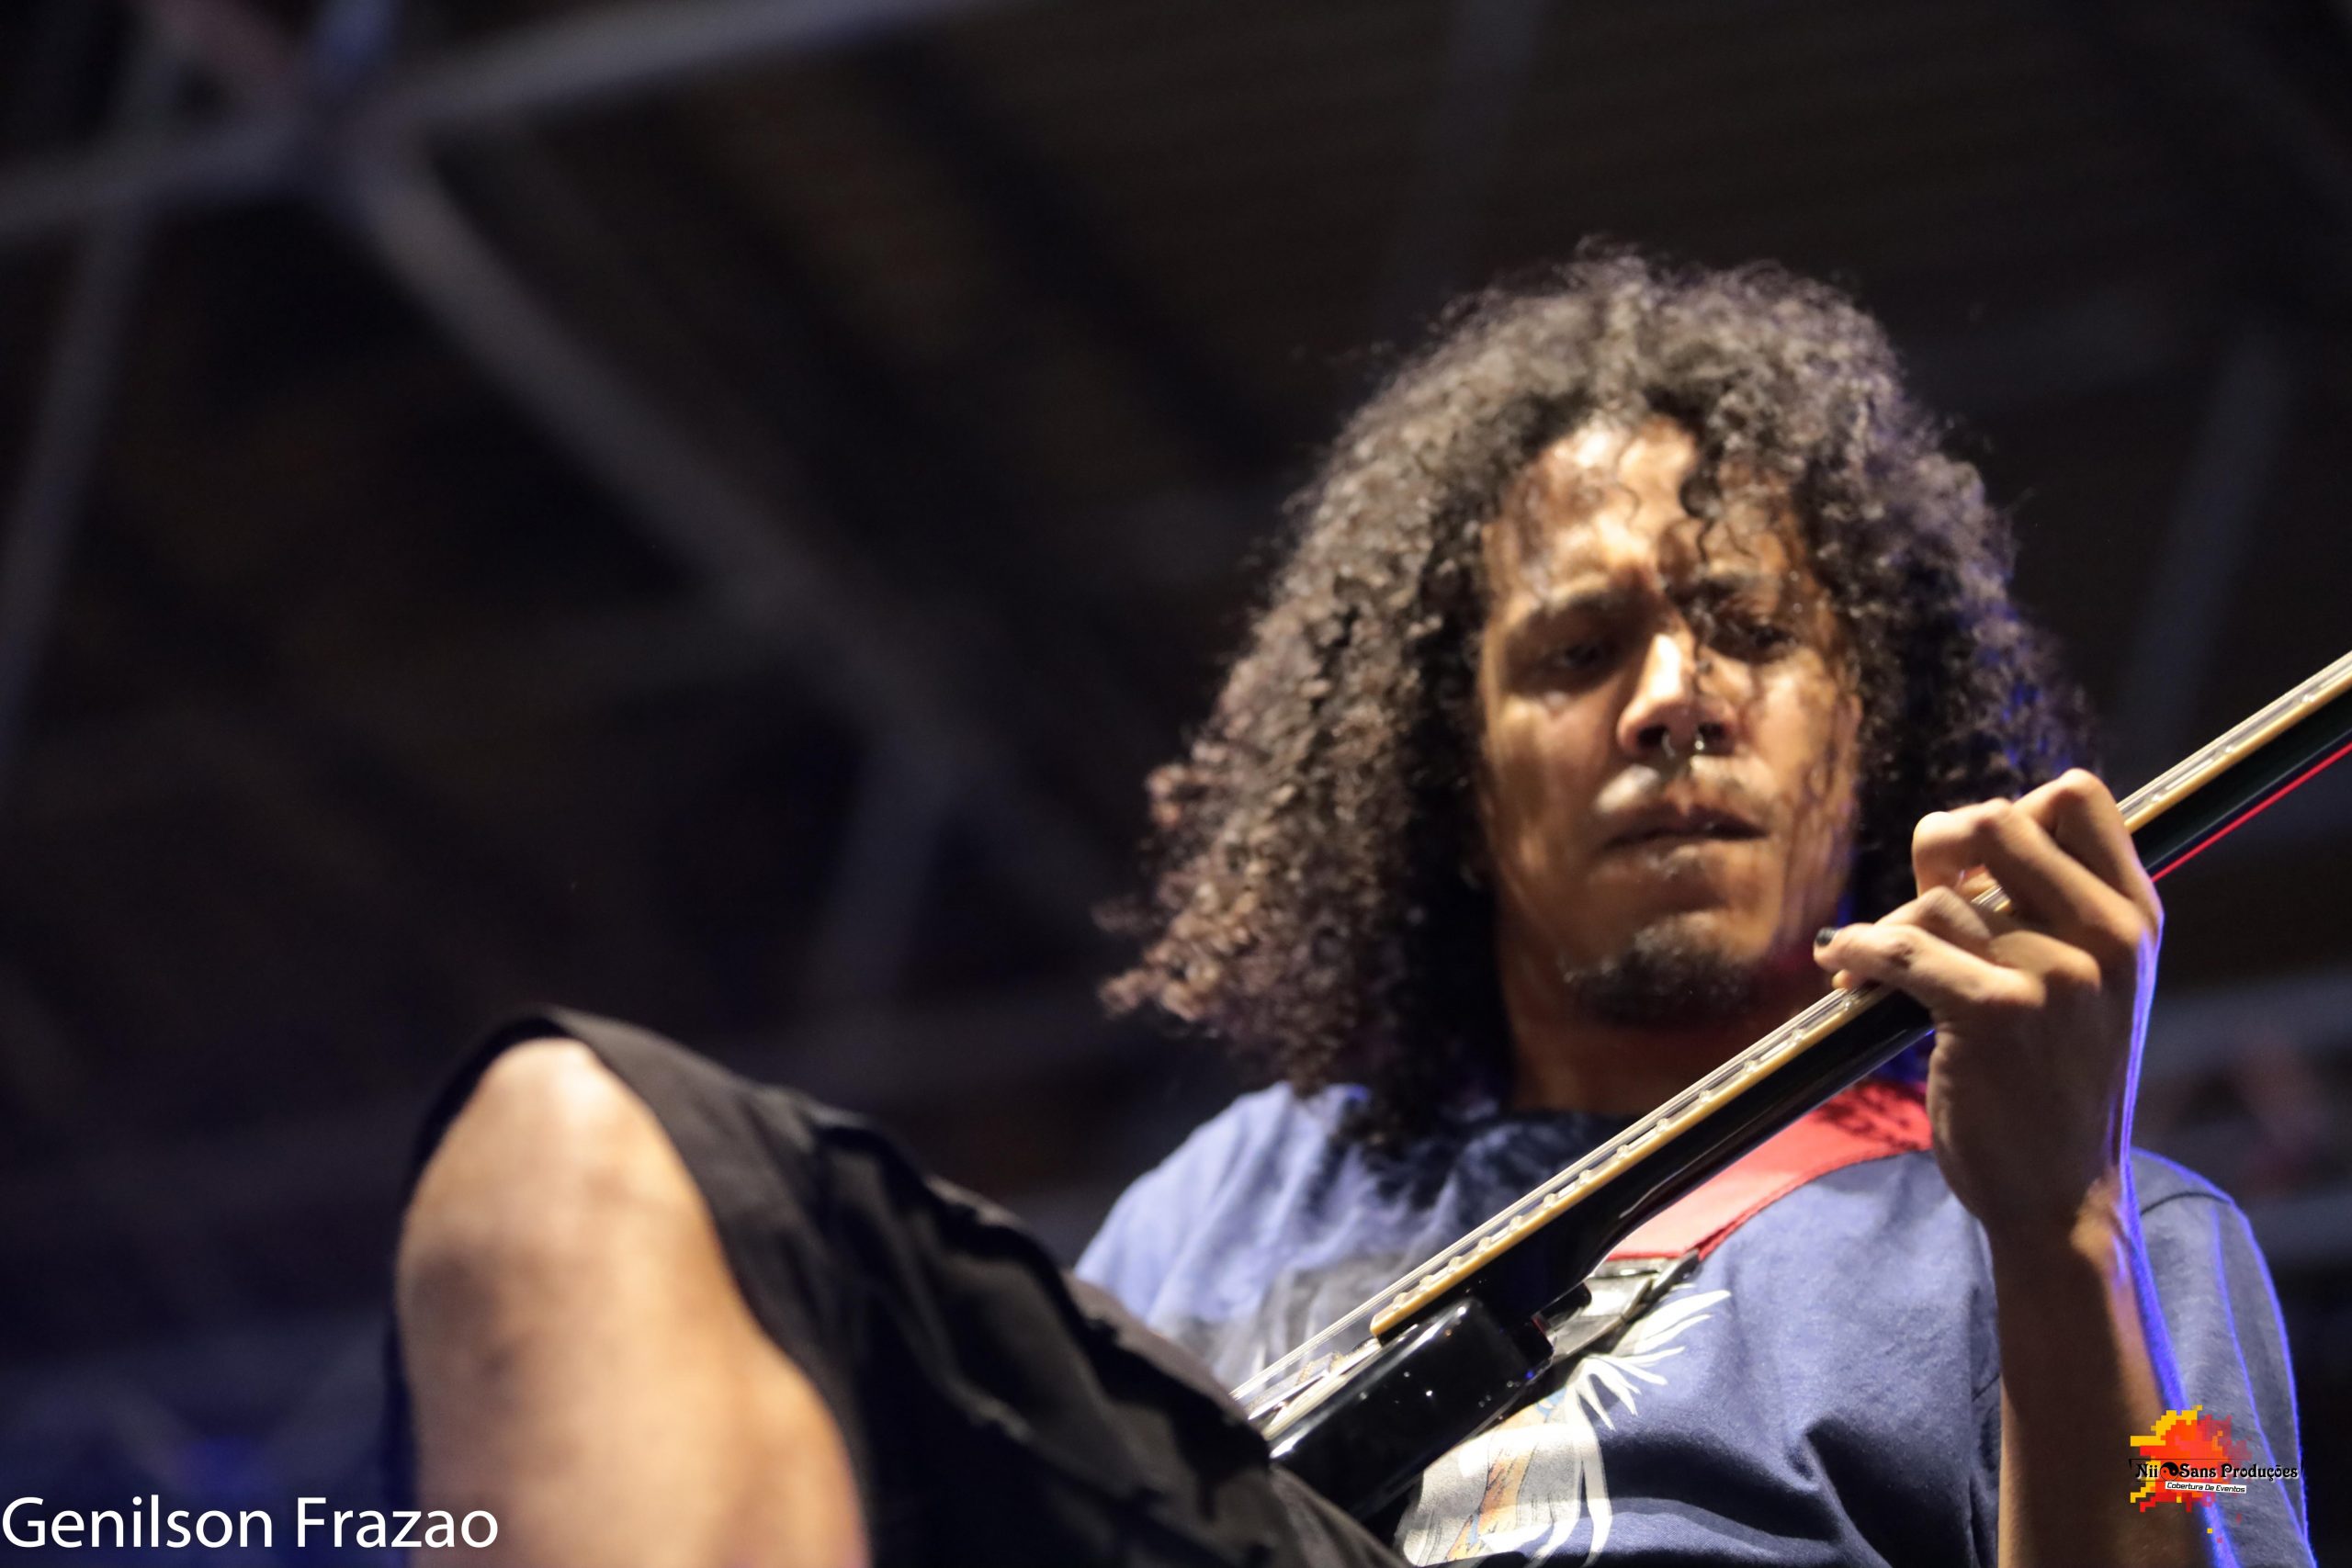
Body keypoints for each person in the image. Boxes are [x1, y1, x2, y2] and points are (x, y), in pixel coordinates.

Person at [389, 250, 2312, 1568]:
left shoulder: (2135, 1239)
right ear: (1454, 783)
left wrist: (2056, 1231)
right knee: (563, 1148)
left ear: (1865, 727)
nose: (1673, 696)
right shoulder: (1229, 1205)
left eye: (1749, 630)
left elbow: (2192, 1500)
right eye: (1577, 651)